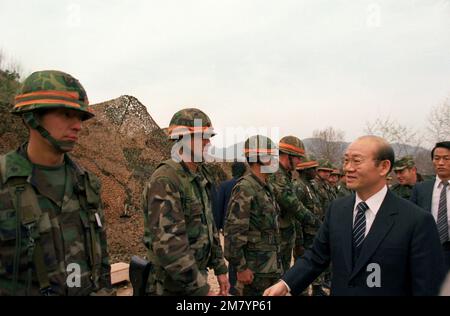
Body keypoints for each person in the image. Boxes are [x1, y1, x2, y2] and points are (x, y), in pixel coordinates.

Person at [264, 135, 445, 296]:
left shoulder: (416, 221)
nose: (348, 168)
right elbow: (316, 256)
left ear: (383, 167)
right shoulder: (338, 210)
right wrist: (286, 283)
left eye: (356, 161)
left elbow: (427, 286)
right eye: (346, 161)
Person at [0, 70, 113, 296]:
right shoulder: (5, 181)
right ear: (32, 116)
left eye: (80, 117)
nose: (77, 125)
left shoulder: (86, 184)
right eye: (65, 114)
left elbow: (101, 264)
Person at [141, 108, 229, 296]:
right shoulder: (165, 180)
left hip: (195, 277)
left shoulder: (199, 175)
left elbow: (210, 225)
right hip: (169, 286)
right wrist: (202, 290)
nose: (208, 142)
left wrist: (220, 269)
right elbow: (169, 245)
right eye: (203, 137)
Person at [224, 135, 282, 296]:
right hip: (254, 273)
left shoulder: (265, 187)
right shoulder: (245, 188)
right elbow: (233, 233)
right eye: (271, 156)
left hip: (269, 269)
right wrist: (241, 268)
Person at [268, 136, 319, 273]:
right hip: (275, 238)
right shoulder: (276, 174)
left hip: (284, 236)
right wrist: (319, 224)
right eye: (298, 157)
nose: (300, 161)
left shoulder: (284, 174)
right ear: (287, 156)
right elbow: (294, 205)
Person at [411, 141, 450, 272]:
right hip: (427, 250)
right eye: (437, 158)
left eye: (446, 158)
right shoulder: (421, 189)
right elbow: (410, 221)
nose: (440, 163)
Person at [215, 161, 247, 295]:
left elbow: (219, 207)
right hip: (246, 227)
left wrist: (218, 226)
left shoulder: (224, 186)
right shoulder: (248, 185)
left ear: (233, 171)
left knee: (233, 256)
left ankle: (233, 287)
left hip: (228, 226)